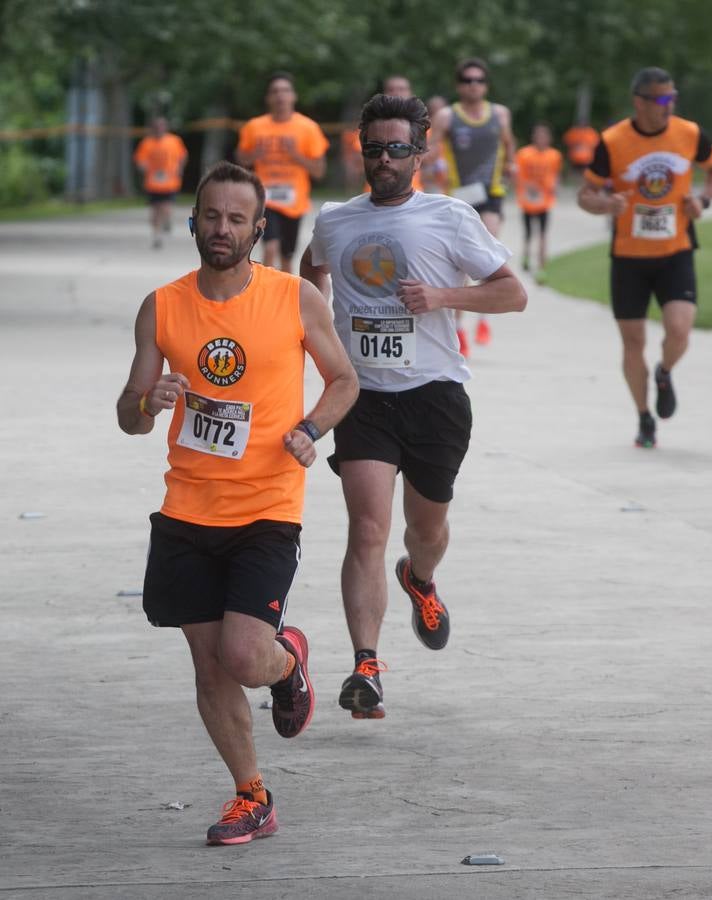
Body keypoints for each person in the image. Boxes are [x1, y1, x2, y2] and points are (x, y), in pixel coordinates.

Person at [116, 161, 358, 845]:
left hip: (266, 505)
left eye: (235, 219)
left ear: (258, 227)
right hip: (187, 509)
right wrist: (147, 401)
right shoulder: (161, 306)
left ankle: (286, 663)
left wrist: (311, 429)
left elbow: (344, 379)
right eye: (211, 216)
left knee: (244, 655)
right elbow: (128, 416)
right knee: (208, 664)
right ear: (194, 221)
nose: (221, 229)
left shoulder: (293, 297)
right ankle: (251, 794)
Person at [299, 94, 527, 720]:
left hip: (434, 398)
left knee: (424, 532)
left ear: (421, 152)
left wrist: (442, 295)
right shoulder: (335, 220)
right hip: (363, 399)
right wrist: (319, 340)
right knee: (366, 529)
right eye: (374, 148)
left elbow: (513, 294)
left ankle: (419, 578)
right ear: (362, 151)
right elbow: (310, 272)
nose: (385, 159)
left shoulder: (450, 217)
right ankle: (365, 666)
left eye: (398, 148)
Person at [578, 67, 712, 448]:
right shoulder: (612, 141)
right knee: (633, 342)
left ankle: (664, 371)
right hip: (628, 256)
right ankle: (644, 418)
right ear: (640, 102)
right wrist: (605, 204)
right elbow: (585, 194)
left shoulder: (689, 133)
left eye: (672, 97)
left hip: (675, 250)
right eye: (662, 99)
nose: (668, 105)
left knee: (679, 330)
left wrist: (703, 199)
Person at [428, 57, 517, 356]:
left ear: (486, 84)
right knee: (461, 262)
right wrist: (423, 163)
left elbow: (508, 143)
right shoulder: (446, 116)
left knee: (488, 248)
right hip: (459, 195)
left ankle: (483, 319)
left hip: (490, 191)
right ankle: (458, 328)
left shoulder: (500, 114)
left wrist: (513, 164)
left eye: (478, 80)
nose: (473, 85)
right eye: (467, 80)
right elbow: (431, 148)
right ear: (458, 84)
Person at [236, 72, 329, 272]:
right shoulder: (254, 127)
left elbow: (319, 172)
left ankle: (285, 294)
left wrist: (296, 155)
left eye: (285, 91)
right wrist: (254, 155)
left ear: (293, 96)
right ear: (268, 98)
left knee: (287, 257)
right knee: (270, 247)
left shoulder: (308, 128)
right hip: (264, 199)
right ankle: (268, 291)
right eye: (275, 91)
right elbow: (240, 161)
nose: (280, 96)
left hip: (294, 203)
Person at [514, 123, 563, 279]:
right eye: (538, 136)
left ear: (549, 138)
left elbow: (555, 174)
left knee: (543, 233)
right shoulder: (524, 154)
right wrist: (528, 186)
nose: (541, 139)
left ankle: (542, 266)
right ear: (534, 137)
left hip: (545, 201)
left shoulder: (554, 155)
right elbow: (518, 175)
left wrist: (555, 185)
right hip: (527, 200)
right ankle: (526, 257)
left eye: (544, 136)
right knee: (528, 233)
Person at [133, 116, 188, 249]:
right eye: (156, 127)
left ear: (165, 127)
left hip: (170, 181)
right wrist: (143, 167)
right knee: (155, 211)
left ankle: (167, 221)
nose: (159, 129)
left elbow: (182, 156)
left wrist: (180, 168)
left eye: (161, 126)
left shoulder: (174, 141)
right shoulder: (147, 143)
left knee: (166, 208)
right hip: (153, 182)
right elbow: (140, 159)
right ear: (153, 128)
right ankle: (157, 235)